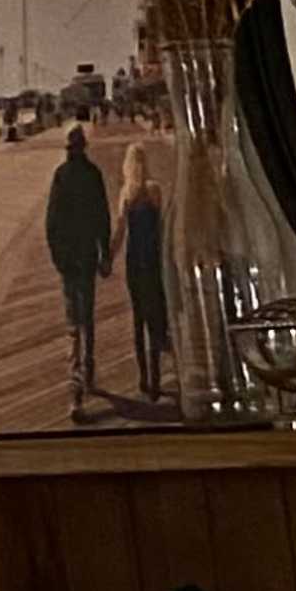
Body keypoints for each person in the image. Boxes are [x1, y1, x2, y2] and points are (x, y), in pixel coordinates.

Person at [45, 123, 114, 415]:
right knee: (88, 319)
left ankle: (75, 392)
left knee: (72, 323)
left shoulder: (61, 175)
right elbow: (103, 217)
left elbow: (51, 222)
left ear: (68, 149)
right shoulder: (93, 174)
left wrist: (57, 257)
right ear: (84, 147)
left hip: (68, 260)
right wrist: (105, 254)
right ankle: (90, 372)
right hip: (86, 257)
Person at [118, 141, 170, 409]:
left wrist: (105, 261)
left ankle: (142, 378)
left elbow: (119, 233)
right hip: (152, 261)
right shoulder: (154, 190)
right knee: (154, 317)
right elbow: (162, 229)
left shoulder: (127, 193)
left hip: (133, 262)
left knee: (138, 320)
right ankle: (157, 380)